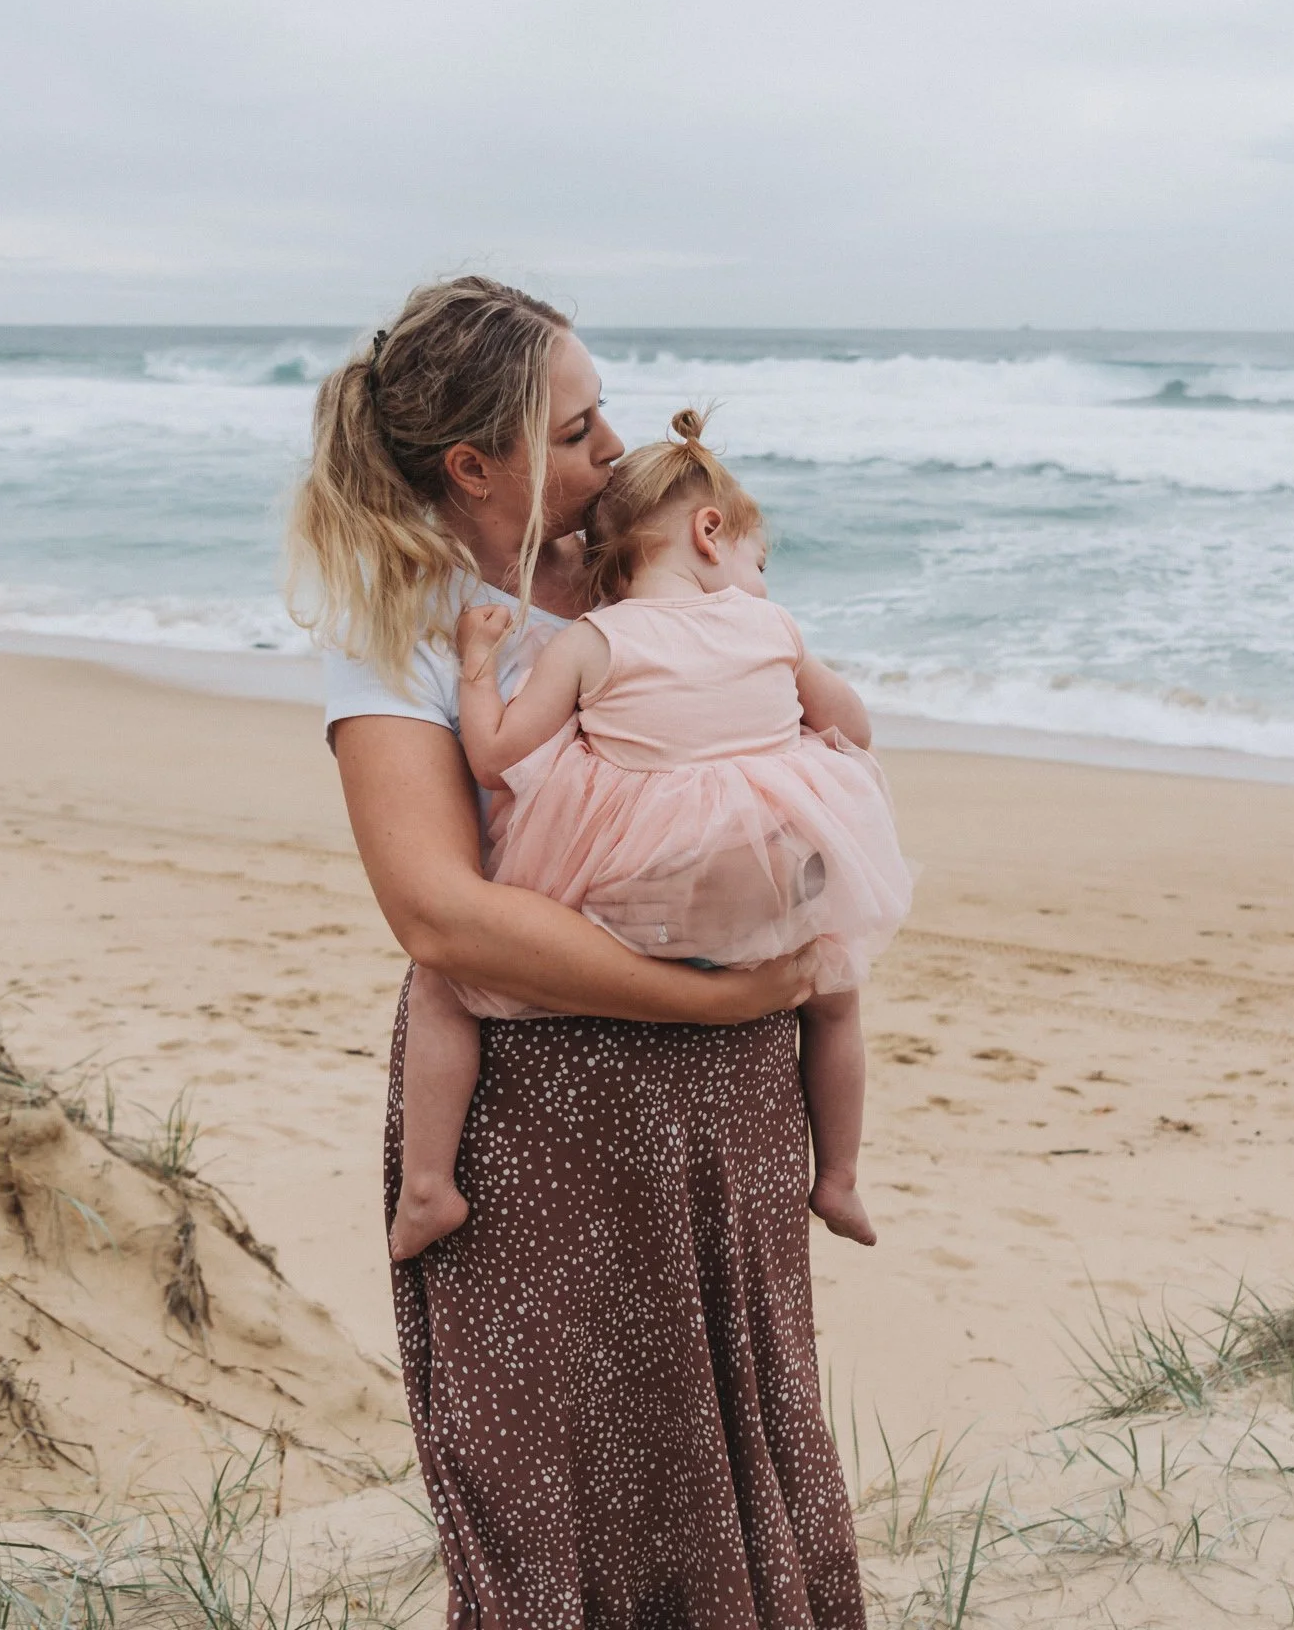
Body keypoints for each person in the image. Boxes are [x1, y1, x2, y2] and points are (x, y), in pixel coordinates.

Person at [290, 275, 869, 1628]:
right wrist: (723, 998)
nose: (607, 448)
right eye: (571, 429)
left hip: (727, 1100)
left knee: (738, 1456)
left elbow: (789, 746)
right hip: (537, 1109)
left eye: (603, 412)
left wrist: (788, 932)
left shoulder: (655, 563)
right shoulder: (407, 625)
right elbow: (441, 917)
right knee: (545, 1484)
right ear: (472, 465)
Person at [391, 407, 912, 1263]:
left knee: (446, 981)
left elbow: (491, 759)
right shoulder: (772, 628)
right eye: (759, 559)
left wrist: (477, 663)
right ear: (711, 533)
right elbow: (852, 728)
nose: (760, 579)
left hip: (643, 897)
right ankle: (840, 1177)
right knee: (834, 993)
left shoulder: (595, 640)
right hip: (771, 893)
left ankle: (428, 1189)